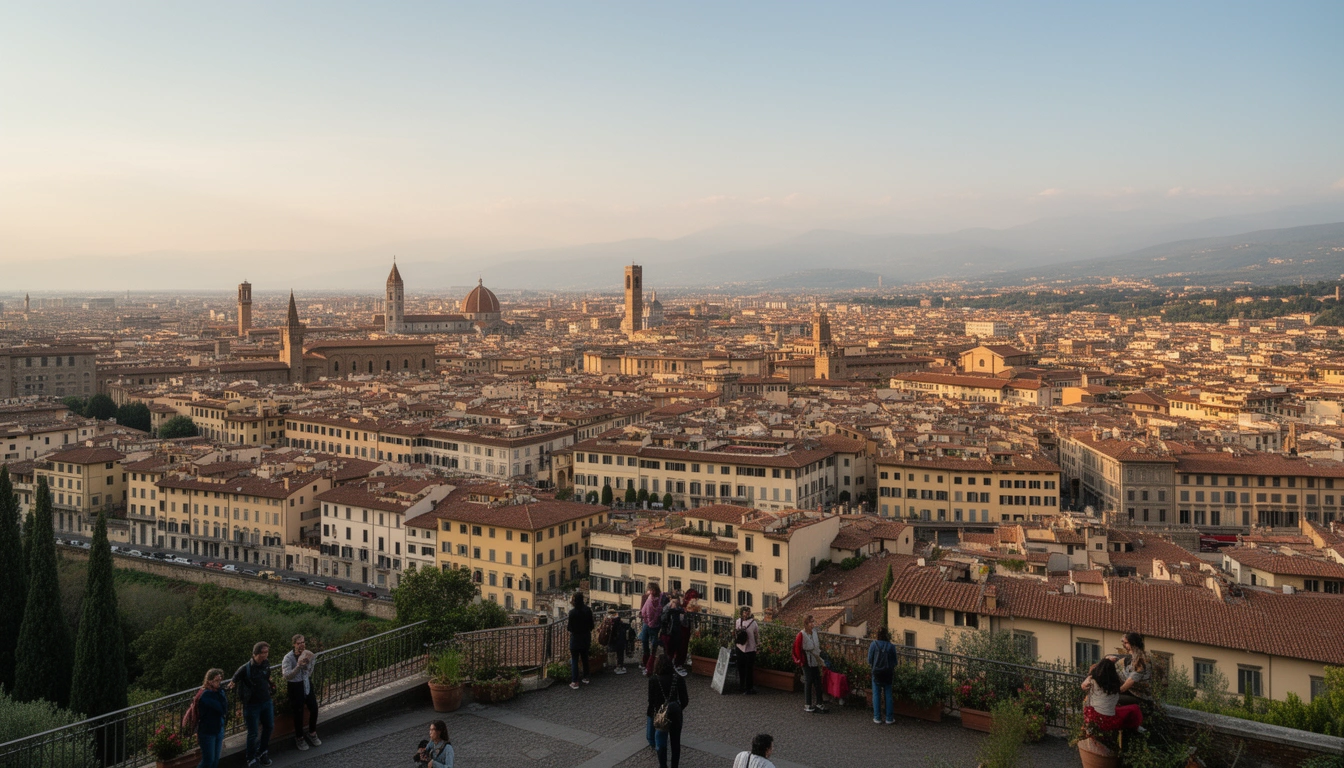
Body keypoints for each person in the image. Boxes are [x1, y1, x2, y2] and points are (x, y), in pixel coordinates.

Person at [231, 641, 276, 767]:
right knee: (253, 733)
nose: (266, 655)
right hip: (252, 705)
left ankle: (262, 752)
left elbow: (267, 677)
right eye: (263, 652)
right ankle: (251, 758)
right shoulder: (246, 668)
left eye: (267, 652)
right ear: (256, 654)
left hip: (266, 701)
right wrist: (232, 684)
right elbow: (234, 678)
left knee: (269, 726)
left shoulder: (266, 664)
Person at [646, 654, 689, 768]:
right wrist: (678, 708)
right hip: (675, 713)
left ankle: (663, 765)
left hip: (660, 715)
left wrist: (651, 716)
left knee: (661, 742)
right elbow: (685, 700)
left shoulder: (653, 680)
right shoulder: (678, 679)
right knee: (675, 742)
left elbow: (651, 701)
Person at [281, 634, 321, 751]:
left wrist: (307, 665)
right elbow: (287, 676)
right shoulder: (288, 658)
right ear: (294, 644)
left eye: (303, 642)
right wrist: (298, 666)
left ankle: (312, 733)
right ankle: (299, 737)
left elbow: (310, 671)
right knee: (298, 712)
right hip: (295, 686)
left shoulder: (308, 654)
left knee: (314, 708)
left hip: (306, 683)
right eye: (299, 643)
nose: (301, 645)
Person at [1082, 660, 1141, 731]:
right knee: (1135, 708)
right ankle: (1134, 728)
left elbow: (1091, 674)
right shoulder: (1114, 684)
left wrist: (1087, 680)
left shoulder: (1092, 682)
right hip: (1108, 721)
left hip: (1091, 718)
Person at [194, 669, 229, 768]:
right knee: (208, 760)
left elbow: (225, 708)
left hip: (218, 728)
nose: (219, 683)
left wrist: (220, 691)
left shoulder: (217, 692)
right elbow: (221, 708)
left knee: (215, 760)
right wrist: (221, 692)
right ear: (209, 681)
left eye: (220, 680)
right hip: (207, 731)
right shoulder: (206, 695)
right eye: (216, 680)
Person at [1106, 632, 1153, 707]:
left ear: (1133, 643)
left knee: (1109, 698)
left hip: (1140, 697)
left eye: (1126, 643)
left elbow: (1130, 681)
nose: (1124, 646)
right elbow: (1122, 661)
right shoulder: (1134, 657)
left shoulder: (1142, 660)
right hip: (1131, 692)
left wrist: (1115, 692)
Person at [791, 614, 826, 713]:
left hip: (815, 659)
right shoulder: (801, 634)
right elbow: (797, 649)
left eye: (813, 622)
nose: (813, 624)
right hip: (806, 660)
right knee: (808, 681)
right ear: (806, 623)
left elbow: (816, 646)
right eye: (811, 622)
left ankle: (819, 703)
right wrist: (801, 661)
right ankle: (808, 704)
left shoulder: (814, 632)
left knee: (817, 681)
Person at [867, 627, 898, 724]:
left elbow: (869, 660)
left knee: (876, 694)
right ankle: (889, 718)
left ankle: (877, 717)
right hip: (888, 673)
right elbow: (895, 662)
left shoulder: (873, 644)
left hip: (876, 672)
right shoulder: (891, 646)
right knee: (888, 694)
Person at [567, 591, 595, 689]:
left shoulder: (572, 613)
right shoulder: (588, 610)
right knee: (584, 658)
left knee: (575, 659)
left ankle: (575, 681)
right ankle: (586, 677)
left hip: (575, 638)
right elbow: (592, 625)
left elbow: (569, 627)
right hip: (586, 637)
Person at [660, 596, 689, 676]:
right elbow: (684, 623)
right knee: (670, 651)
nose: (675, 605)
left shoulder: (669, 610)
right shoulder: (673, 611)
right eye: (674, 603)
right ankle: (669, 667)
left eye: (676, 603)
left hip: (672, 634)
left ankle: (670, 667)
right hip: (671, 634)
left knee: (670, 651)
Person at [735, 606, 760, 695]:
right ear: (742, 613)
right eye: (745, 612)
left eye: (748, 612)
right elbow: (757, 635)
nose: (747, 614)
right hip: (746, 648)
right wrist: (758, 646)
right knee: (744, 668)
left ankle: (745, 687)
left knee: (746, 669)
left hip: (743, 647)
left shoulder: (739, 621)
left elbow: (756, 635)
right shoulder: (753, 623)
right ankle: (746, 687)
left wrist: (757, 646)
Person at [639, 584, 663, 676]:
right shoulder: (649, 598)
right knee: (644, 641)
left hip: (654, 625)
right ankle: (647, 662)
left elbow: (657, 613)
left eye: (652, 590)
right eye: (650, 590)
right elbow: (644, 610)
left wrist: (651, 622)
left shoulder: (659, 599)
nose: (651, 592)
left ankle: (650, 665)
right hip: (647, 623)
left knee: (653, 644)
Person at [606, 609, 629, 674]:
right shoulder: (619, 620)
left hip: (613, 640)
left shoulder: (609, 621)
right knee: (620, 653)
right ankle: (620, 666)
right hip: (620, 639)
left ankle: (614, 665)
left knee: (612, 652)